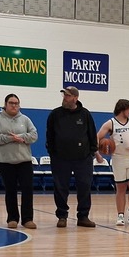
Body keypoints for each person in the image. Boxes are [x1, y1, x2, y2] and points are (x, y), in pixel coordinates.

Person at [46, 86, 98, 228]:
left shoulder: (85, 114)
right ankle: (62, 216)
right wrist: (52, 152)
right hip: (60, 158)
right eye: (64, 95)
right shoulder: (55, 114)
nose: (65, 98)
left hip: (83, 159)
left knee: (84, 187)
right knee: (61, 188)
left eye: (68, 96)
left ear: (75, 98)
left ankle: (83, 216)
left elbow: (92, 135)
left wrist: (92, 152)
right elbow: (49, 135)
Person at [0, 93, 39, 229]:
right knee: (10, 190)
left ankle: (28, 219)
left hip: (24, 161)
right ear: (5, 104)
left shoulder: (25, 119)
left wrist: (21, 137)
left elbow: (34, 135)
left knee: (27, 189)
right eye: (11, 103)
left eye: (16, 103)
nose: (14, 105)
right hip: (5, 161)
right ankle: (12, 219)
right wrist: (10, 138)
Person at [97, 99, 129, 226]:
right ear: (123, 109)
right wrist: (99, 151)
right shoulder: (110, 123)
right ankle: (120, 215)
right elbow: (97, 138)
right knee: (121, 188)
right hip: (118, 159)